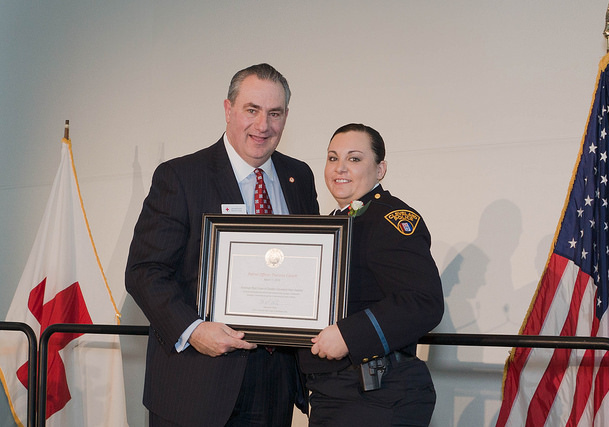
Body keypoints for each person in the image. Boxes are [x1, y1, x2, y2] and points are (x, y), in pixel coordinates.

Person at [125, 63, 319, 427]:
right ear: (228, 109)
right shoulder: (181, 176)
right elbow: (144, 271)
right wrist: (194, 330)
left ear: (286, 117)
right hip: (195, 382)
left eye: (274, 113)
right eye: (252, 110)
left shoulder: (299, 177)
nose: (263, 125)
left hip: (274, 383)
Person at [298, 123, 444, 426]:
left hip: (379, 393)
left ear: (380, 169)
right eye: (333, 158)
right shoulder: (329, 226)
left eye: (354, 158)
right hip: (334, 391)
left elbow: (423, 301)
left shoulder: (390, 219)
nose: (340, 168)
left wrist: (348, 335)